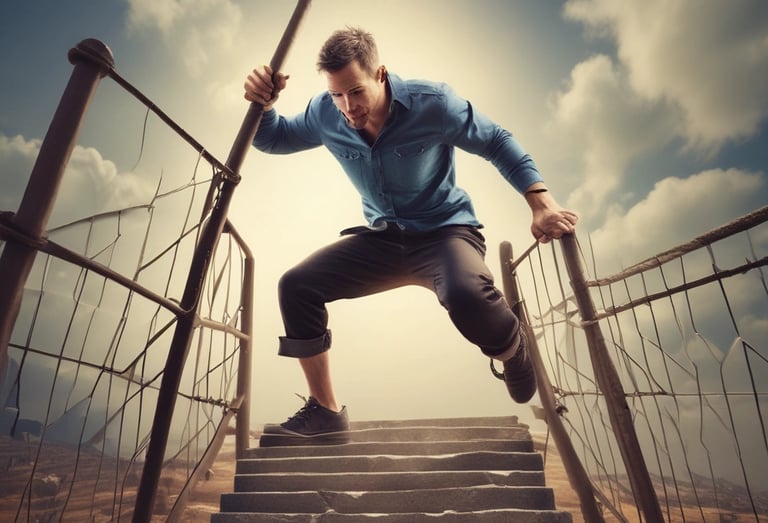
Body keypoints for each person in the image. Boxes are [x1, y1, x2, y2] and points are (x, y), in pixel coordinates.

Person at [244, 27, 577, 443]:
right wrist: (264, 104)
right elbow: (273, 139)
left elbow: (495, 140)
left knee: (465, 294)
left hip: (445, 233)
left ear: (380, 74)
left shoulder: (433, 104)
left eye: (356, 91)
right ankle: (327, 414)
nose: (348, 107)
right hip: (382, 239)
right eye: (336, 95)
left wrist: (540, 202)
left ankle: (512, 347)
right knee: (296, 286)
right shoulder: (325, 113)